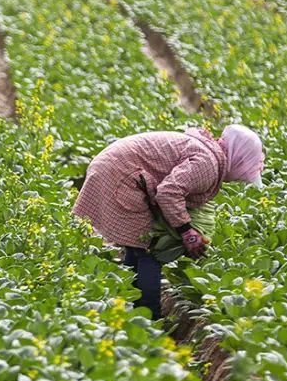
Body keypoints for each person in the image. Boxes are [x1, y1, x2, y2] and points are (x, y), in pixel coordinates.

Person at [73, 124, 264, 319]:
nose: (240, 179)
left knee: (137, 248)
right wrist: (187, 231)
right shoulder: (208, 165)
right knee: (149, 251)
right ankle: (150, 317)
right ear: (238, 159)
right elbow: (168, 193)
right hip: (121, 176)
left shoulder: (207, 151)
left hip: (113, 166)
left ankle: (133, 307)